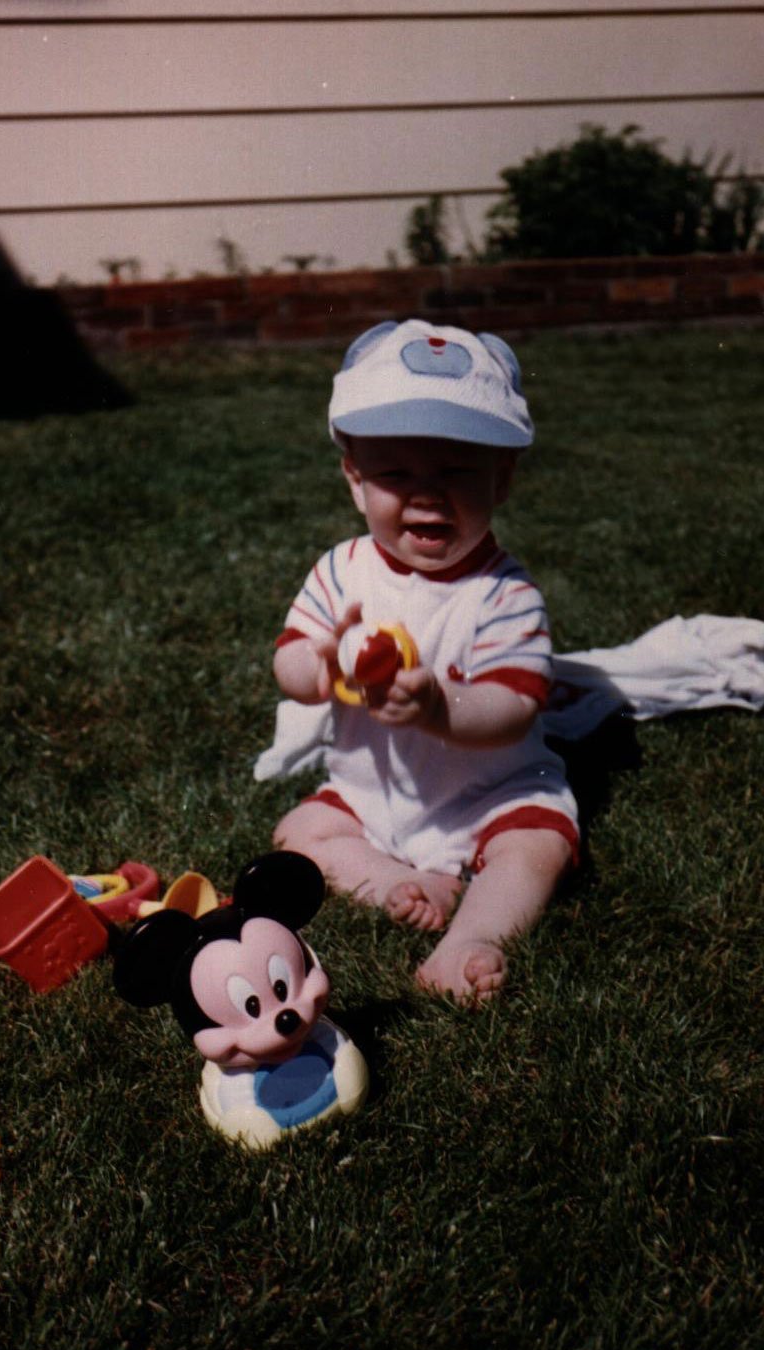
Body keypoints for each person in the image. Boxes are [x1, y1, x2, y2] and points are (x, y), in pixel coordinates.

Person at [272, 320, 578, 1003]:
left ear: (501, 479)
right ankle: (397, 884)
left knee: (538, 842)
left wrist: (440, 706)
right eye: (396, 473)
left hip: (490, 788)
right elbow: (289, 664)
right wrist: (317, 667)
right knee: (301, 832)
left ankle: (473, 937)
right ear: (355, 481)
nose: (426, 493)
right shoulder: (341, 572)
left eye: (456, 472)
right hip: (372, 792)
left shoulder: (504, 593)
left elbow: (512, 707)